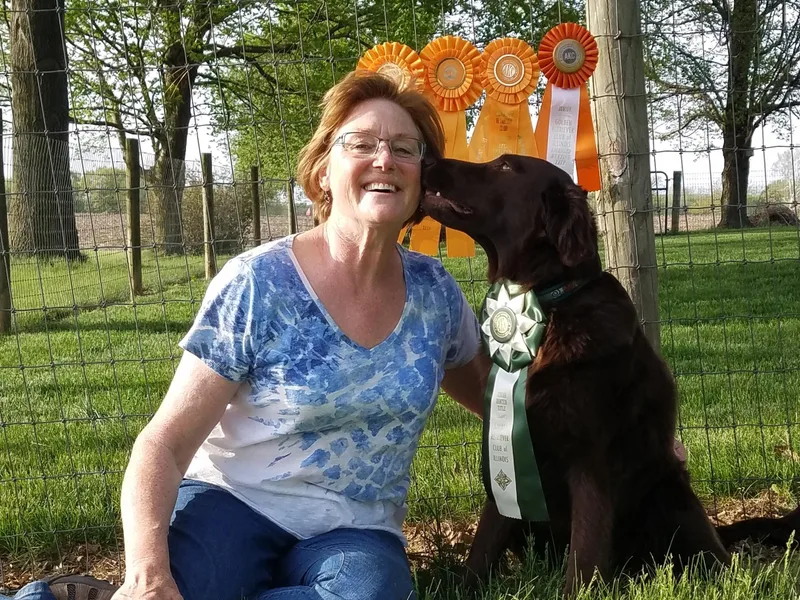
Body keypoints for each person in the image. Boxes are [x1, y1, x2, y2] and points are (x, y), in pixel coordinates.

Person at [1, 70, 489, 600]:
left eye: (404, 148)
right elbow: (163, 444)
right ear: (323, 171)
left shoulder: (435, 294)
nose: (384, 160)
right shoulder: (258, 282)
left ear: (421, 177)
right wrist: (146, 572)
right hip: (233, 505)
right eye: (361, 144)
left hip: (357, 533)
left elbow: (501, 402)